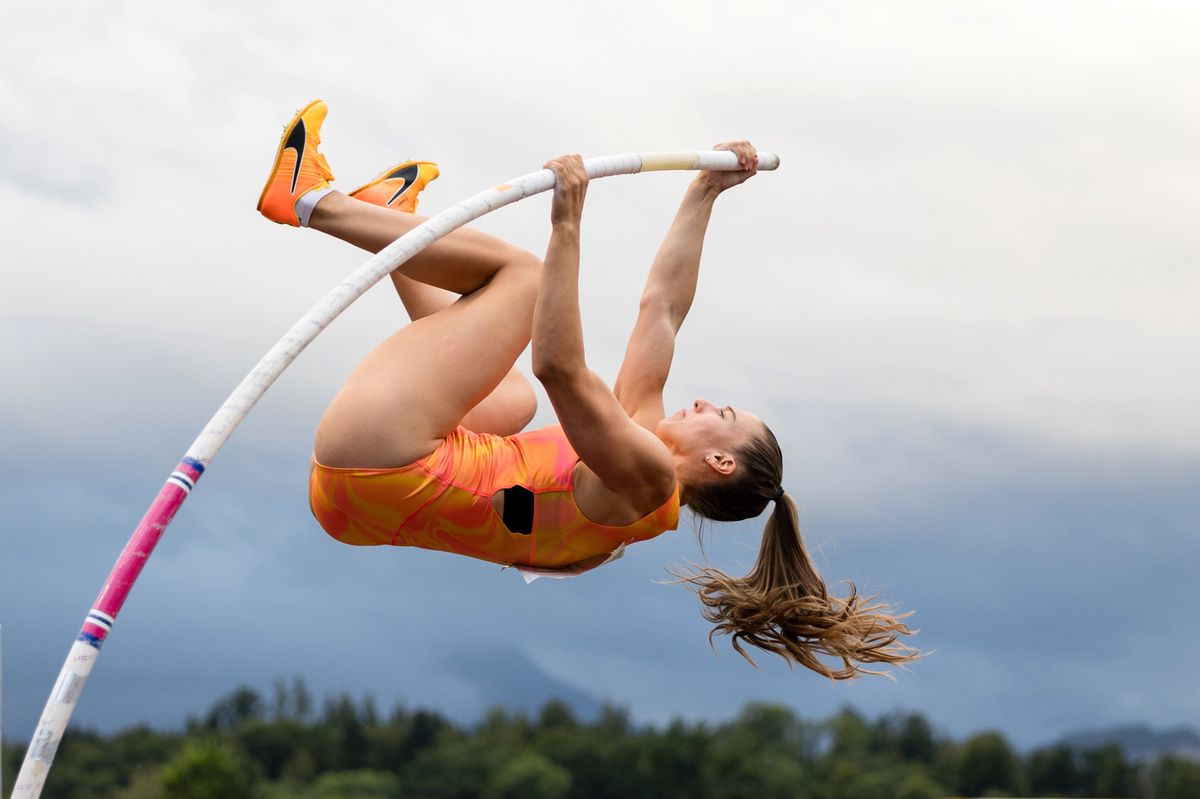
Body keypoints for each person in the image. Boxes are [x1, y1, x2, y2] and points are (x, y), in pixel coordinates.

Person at [257, 100, 918, 679]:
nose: (703, 401)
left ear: (721, 461)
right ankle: (391, 224)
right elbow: (661, 308)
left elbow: (561, 369)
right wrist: (703, 194)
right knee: (509, 402)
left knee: (520, 279)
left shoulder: (646, 476)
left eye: (722, 414)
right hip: (358, 503)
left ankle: (311, 201)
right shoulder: (642, 461)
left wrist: (566, 226)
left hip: (381, 458)